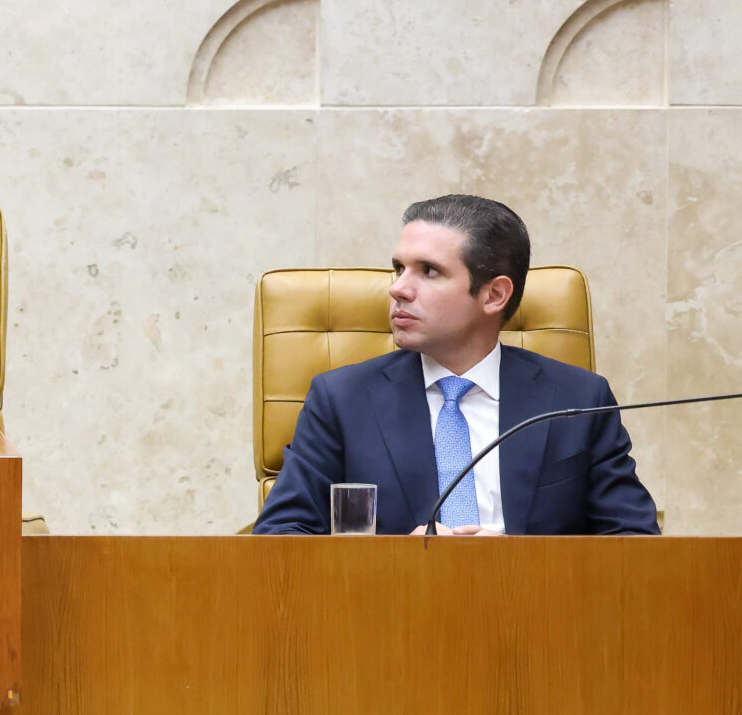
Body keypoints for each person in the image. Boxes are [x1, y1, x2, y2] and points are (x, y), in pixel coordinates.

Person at [254, 194, 656, 535]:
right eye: (399, 269)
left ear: (494, 295)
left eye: (428, 271)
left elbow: (633, 542)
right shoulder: (342, 400)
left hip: (532, 601)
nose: (398, 288)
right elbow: (280, 537)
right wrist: (392, 561)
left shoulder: (578, 400)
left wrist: (520, 563)